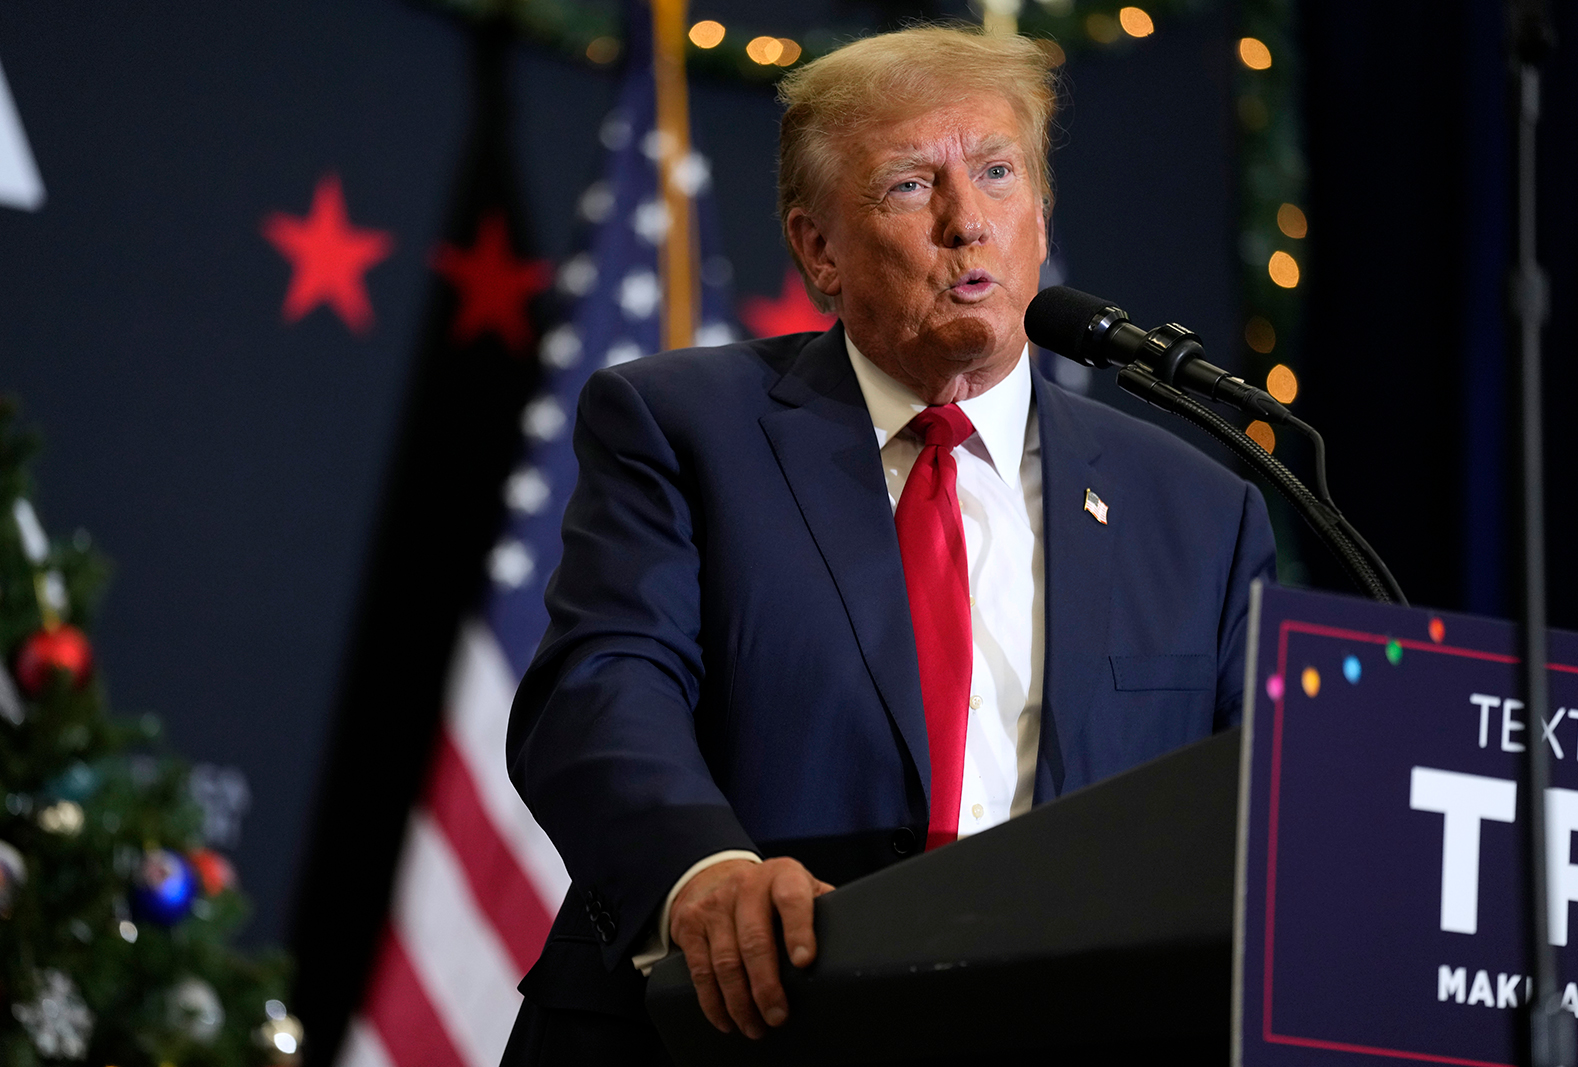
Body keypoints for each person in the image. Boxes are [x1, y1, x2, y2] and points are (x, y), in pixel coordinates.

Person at [501, 24, 1276, 1065]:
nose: (969, 224)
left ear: (1040, 220)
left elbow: (1247, 817)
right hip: (743, 1023)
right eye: (910, 187)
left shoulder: (1199, 511)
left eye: (997, 174)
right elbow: (601, 685)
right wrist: (705, 872)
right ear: (818, 247)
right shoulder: (683, 426)